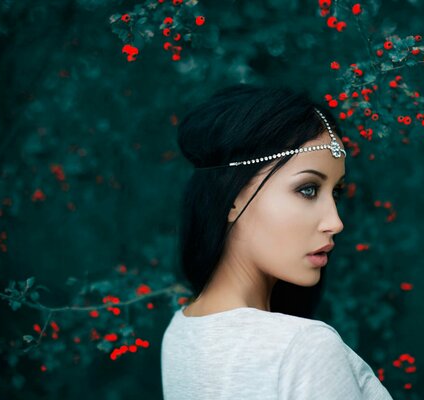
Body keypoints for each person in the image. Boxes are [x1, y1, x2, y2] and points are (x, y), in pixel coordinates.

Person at [161, 83, 394, 399]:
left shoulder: (181, 332)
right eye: (308, 189)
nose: (336, 223)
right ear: (231, 198)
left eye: (336, 192)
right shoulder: (305, 348)